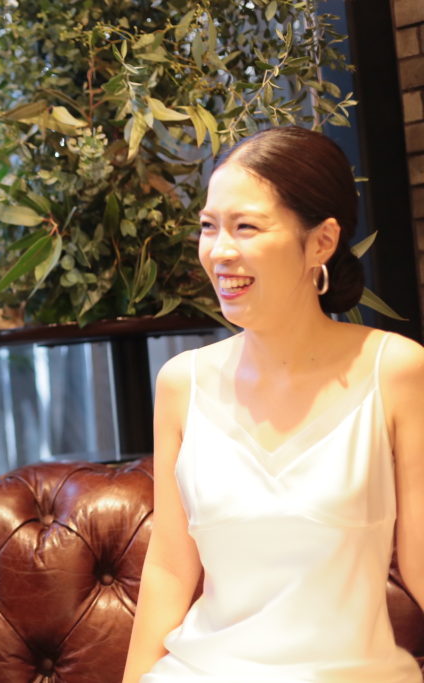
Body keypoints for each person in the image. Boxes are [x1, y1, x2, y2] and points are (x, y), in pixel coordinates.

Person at [122, 127, 424, 682]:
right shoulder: (182, 383)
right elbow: (169, 567)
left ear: (322, 242)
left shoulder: (396, 370)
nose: (219, 251)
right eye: (208, 226)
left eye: (246, 227)